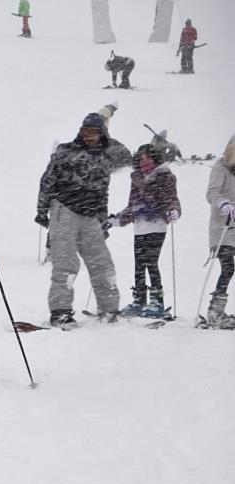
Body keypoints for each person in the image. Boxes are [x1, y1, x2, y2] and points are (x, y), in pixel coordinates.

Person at [35, 113, 121, 328]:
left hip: (91, 215)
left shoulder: (105, 158)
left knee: (101, 263)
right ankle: (61, 311)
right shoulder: (65, 152)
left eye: (93, 132)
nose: (88, 136)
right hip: (65, 209)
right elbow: (47, 180)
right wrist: (42, 210)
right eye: (85, 131)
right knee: (65, 263)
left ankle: (109, 309)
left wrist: (102, 219)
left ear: (102, 133)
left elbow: (103, 191)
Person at [107, 144, 181, 318]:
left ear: (155, 159)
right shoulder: (136, 178)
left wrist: (173, 210)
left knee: (151, 262)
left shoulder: (165, 176)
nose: (145, 162)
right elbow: (132, 205)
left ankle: (157, 301)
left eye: (148, 158)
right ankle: (139, 299)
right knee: (139, 264)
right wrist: (117, 219)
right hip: (140, 227)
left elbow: (171, 198)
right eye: (141, 159)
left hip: (157, 225)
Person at [201, 134, 235, 329]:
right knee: (228, 267)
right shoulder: (220, 167)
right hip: (222, 227)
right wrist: (223, 203)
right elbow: (212, 192)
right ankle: (215, 311)